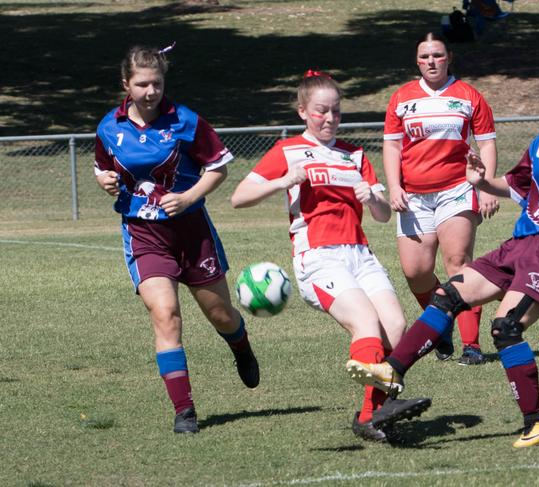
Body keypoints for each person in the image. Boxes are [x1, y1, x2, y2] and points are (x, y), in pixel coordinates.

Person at [347, 75, 539, 447]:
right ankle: (391, 372)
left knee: (505, 327)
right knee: (446, 296)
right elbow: (516, 183)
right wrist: (483, 182)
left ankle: (536, 424)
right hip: (520, 242)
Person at [231, 70, 431, 442]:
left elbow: (385, 215)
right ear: (303, 112)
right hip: (318, 257)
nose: (330, 119)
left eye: (336, 111)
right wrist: (283, 181)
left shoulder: (355, 155)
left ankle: (371, 415)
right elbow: (238, 197)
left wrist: (373, 198)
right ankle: (377, 410)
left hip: (360, 253)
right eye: (321, 111)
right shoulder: (288, 151)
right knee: (366, 324)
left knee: (397, 327)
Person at [94, 45, 259, 434]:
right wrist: (104, 180)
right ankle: (184, 411)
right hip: (143, 233)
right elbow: (102, 167)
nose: (151, 91)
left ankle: (240, 346)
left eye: (157, 83)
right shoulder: (108, 126)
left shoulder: (184, 120)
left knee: (221, 315)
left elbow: (219, 166)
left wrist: (188, 197)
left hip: (192, 232)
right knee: (165, 314)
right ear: (126, 84)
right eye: (142, 84)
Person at [383, 32, 499, 365]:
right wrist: (394, 186)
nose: (431, 61)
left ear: (449, 57)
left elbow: (487, 143)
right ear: (417, 61)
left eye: (437, 55)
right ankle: (442, 323)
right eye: (424, 57)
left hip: (457, 189)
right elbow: (391, 145)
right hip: (414, 196)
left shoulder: (468, 95)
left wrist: (486, 186)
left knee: (457, 262)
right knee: (415, 272)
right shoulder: (402, 98)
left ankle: (472, 345)